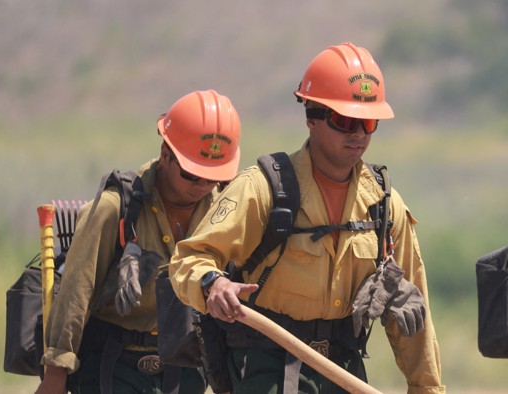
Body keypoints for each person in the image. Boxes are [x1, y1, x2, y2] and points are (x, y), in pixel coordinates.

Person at [169, 42, 445, 394]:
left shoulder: (384, 205)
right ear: (312, 117)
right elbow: (189, 257)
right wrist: (213, 284)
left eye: (368, 121)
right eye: (345, 120)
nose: (358, 133)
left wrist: (427, 388)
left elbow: (415, 310)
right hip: (268, 368)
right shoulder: (263, 189)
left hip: (344, 370)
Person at [35, 89, 242, 394]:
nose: (202, 186)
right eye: (192, 174)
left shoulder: (225, 213)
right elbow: (76, 291)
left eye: (212, 177)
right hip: (111, 364)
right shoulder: (113, 209)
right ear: (165, 154)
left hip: (185, 366)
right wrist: (56, 372)